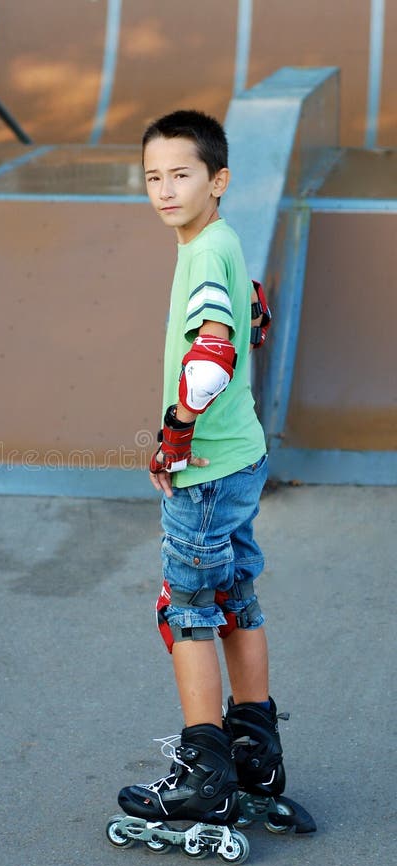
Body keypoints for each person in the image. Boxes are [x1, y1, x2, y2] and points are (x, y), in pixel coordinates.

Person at [117, 110, 283, 827]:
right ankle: (256, 751)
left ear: (218, 179)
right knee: (236, 598)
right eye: (152, 177)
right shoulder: (220, 242)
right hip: (242, 458)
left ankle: (204, 772)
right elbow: (252, 315)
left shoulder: (202, 252)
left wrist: (175, 433)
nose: (164, 189)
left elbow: (213, 352)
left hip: (208, 467)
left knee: (183, 607)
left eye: (180, 175)